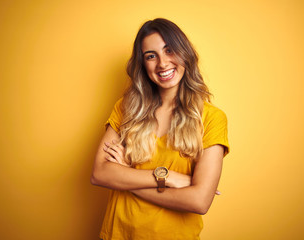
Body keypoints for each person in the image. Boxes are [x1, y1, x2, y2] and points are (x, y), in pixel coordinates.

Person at [91, 18, 230, 240]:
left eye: (170, 50)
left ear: (185, 53)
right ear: (142, 64)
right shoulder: (126, 108)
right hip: (118, 234)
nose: (163, 63)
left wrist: (129, 178)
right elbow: (100, 174)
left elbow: (199, 201)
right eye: (151, 56)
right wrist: (170, 179)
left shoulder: (212, 118)